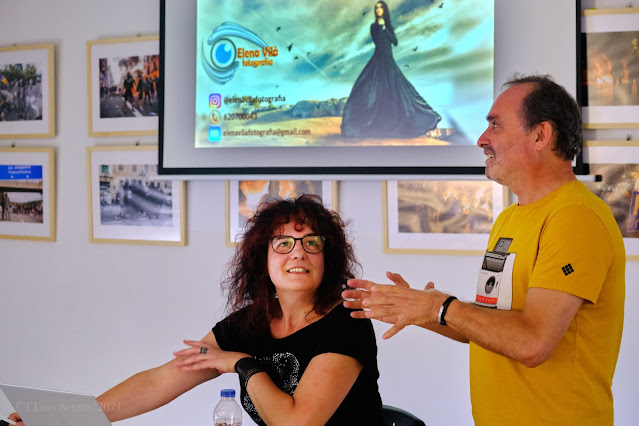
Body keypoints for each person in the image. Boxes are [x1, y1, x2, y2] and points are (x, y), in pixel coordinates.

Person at [343, 74, 626, 425]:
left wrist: (440, 307)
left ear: (540, 135)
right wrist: (424, 310)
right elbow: (494, 325)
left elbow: (532, 343)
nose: (481, 139)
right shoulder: (510, 218)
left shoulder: (575, 218)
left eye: (495, 125)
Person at [9, 195, 383, 426]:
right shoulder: (250, 323)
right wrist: (68, 417)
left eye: (311, 242)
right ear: (262, 259)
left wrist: (241, 363)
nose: (298, 253)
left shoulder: (347, 322)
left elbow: (296, 423)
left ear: (328, 257)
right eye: (283, 243)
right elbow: (159, 382)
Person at [341, 1, 441, 138]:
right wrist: (380, 27)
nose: (378, 9)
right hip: (378, 60)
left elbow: (395, 42)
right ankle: (362, 123)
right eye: (376, 8)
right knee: (366, 87)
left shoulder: (388, 26)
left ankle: (400, 123)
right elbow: (377, 41)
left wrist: (385, 28)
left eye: (380, 7)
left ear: (384, 10)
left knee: (401, 92)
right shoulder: (373, 26)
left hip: (389, 61)